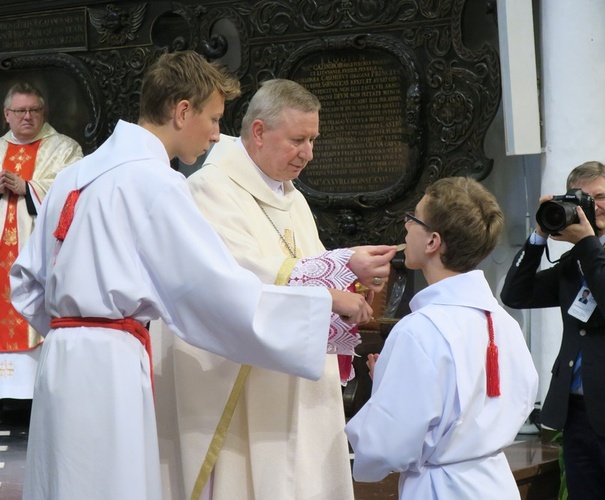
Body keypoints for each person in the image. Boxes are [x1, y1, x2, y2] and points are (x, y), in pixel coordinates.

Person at [9, 50, 372, 500]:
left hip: (60, 361)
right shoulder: (156, 182)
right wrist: (323, 304)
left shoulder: (73, 175)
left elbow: (24, 283)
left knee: (64, 481)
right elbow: (213, 292)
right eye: (215, 119)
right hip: (113, 365)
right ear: (183, 112)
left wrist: (71, 331)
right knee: (112, 484)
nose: (218, 135)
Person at [158, 78, 396, 500]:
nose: (308, 153)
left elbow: (308, 266)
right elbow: (237, 276)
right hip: (244, 382)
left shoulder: (293, 199)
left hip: (301, 380)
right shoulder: (210, 188)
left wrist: (352, 283)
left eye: (313, 140)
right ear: (259, 132)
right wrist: (333, 280)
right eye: (297, 140)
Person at [345, 177, 539, 499]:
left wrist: (385, 390)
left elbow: (386, 446)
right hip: (495, 482)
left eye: (413, 217)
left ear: (433, 241)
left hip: (442, 488)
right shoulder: (505, 322)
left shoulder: (420, 330)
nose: (406, 225)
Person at [501, 161, 605, 499]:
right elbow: (515, 295)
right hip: (577, 415)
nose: (594, 205)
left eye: (601, 196)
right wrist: (539, 235)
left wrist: (588, 243)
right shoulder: (573, 261)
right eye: (584, 199)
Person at [0, 83, 82, 401]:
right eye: (20, 111)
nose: (27, 117)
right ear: (7, 115)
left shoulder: (64, 149)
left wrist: (29, 187)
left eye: (34, 110)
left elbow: (74, 195)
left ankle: (34, 396)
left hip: (36, 257)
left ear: (43, 112)